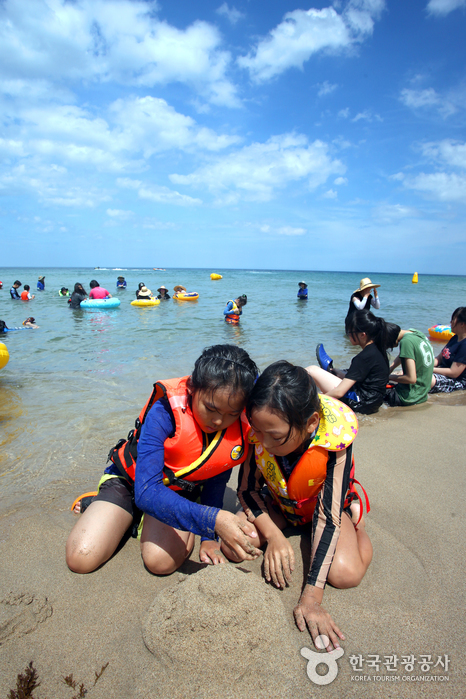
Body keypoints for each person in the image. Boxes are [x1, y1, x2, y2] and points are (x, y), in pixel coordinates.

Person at [66, 344, 262, 575]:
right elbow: (147, 491)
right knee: (80, 559)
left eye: (231, 413)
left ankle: (139, 518)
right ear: (192, 388)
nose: (219, 421)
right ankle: (111, 505)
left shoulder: (238, 427)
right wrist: (212, 520)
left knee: (160, 563)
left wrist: (209, 537)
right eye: (211, 408)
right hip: (134, 482)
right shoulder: (164, 412)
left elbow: (216, 480)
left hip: (178, 490)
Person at [227, 361, 372, 652]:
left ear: (311, 423)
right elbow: (247, 490)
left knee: (346, 574)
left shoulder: (334, 441)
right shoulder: (261, 431)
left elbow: (328, 517)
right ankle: (302, 536)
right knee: (235, 544)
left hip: (325, 509)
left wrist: (311, 599)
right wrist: (275, 536)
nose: (264, 443)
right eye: (258, 431)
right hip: (282, 505)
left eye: (276, 437)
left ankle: (357, 525)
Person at [309, 310, 390, 414]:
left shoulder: (363, 357)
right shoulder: (379, 350)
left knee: (312, 370)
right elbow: (368, 379)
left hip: (360, 404)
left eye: (350, 333)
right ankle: (330, 371)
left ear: (362, 335)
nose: (348, 336)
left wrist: (313, 402)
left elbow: (339, 392)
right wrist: (341, 374)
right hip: (373, 403)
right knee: (339, 374)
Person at [384, 325, 434, 406]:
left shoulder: (406, 341)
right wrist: (391, 368)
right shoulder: (416, 333)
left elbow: (411, 379)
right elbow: (406, 354)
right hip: (423, 394)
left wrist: (388, 377)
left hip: (409, 398)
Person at [429, 307, 466, 394]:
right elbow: (439, 358)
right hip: (443, 373)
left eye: (453, 320)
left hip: (458, 382)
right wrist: (424, 365)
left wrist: (428, 369)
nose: (450, 322)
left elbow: (454, 373)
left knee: (427, 378)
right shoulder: (455, 338)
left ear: (462, 324)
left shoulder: (464, 345)